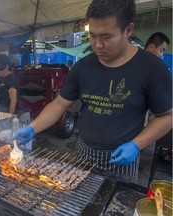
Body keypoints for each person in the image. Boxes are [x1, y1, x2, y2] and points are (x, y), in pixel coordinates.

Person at [12, 0, 172, 183]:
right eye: (92, 35)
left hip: (122, 158)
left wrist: (137, 145)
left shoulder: (152, 69)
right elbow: (59, 104)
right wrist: (33, 127)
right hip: (83, 151)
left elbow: (167, 116)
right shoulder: (83, 67)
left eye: (106, 36)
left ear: (128, 30)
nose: (97, 45)